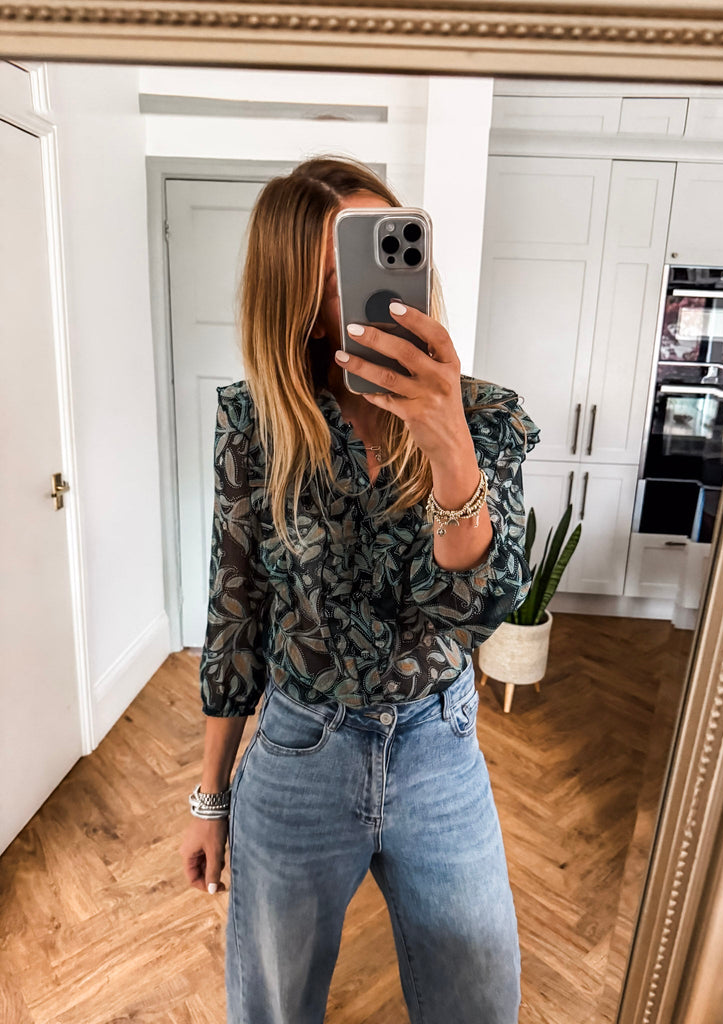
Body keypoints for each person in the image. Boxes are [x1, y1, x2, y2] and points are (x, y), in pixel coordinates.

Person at [179, 155, 540, 1024]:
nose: (380, 289)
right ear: (302, 303)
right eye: (344, 269)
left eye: (388, 248)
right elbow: (236, 609)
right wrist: (208, 796)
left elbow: (477, 611)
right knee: (272, 1006)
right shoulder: (256, 423)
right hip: (301, 750)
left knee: (480, 1003)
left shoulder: (484, 418)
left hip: (439, 748)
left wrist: (449, 445)